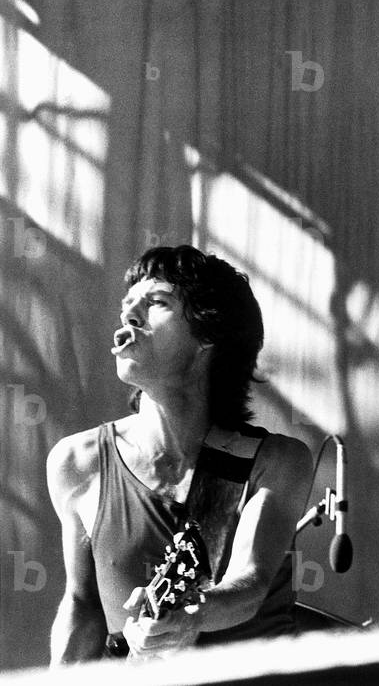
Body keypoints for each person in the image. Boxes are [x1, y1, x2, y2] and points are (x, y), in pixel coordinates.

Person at [47, 245, 314, 663]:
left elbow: (251, 579)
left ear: (208, 334)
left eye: (156, 302)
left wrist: (191, 615)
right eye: (128, 304)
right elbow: (83, 607)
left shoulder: (277, 461)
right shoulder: (77, 463)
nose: (130, 315)